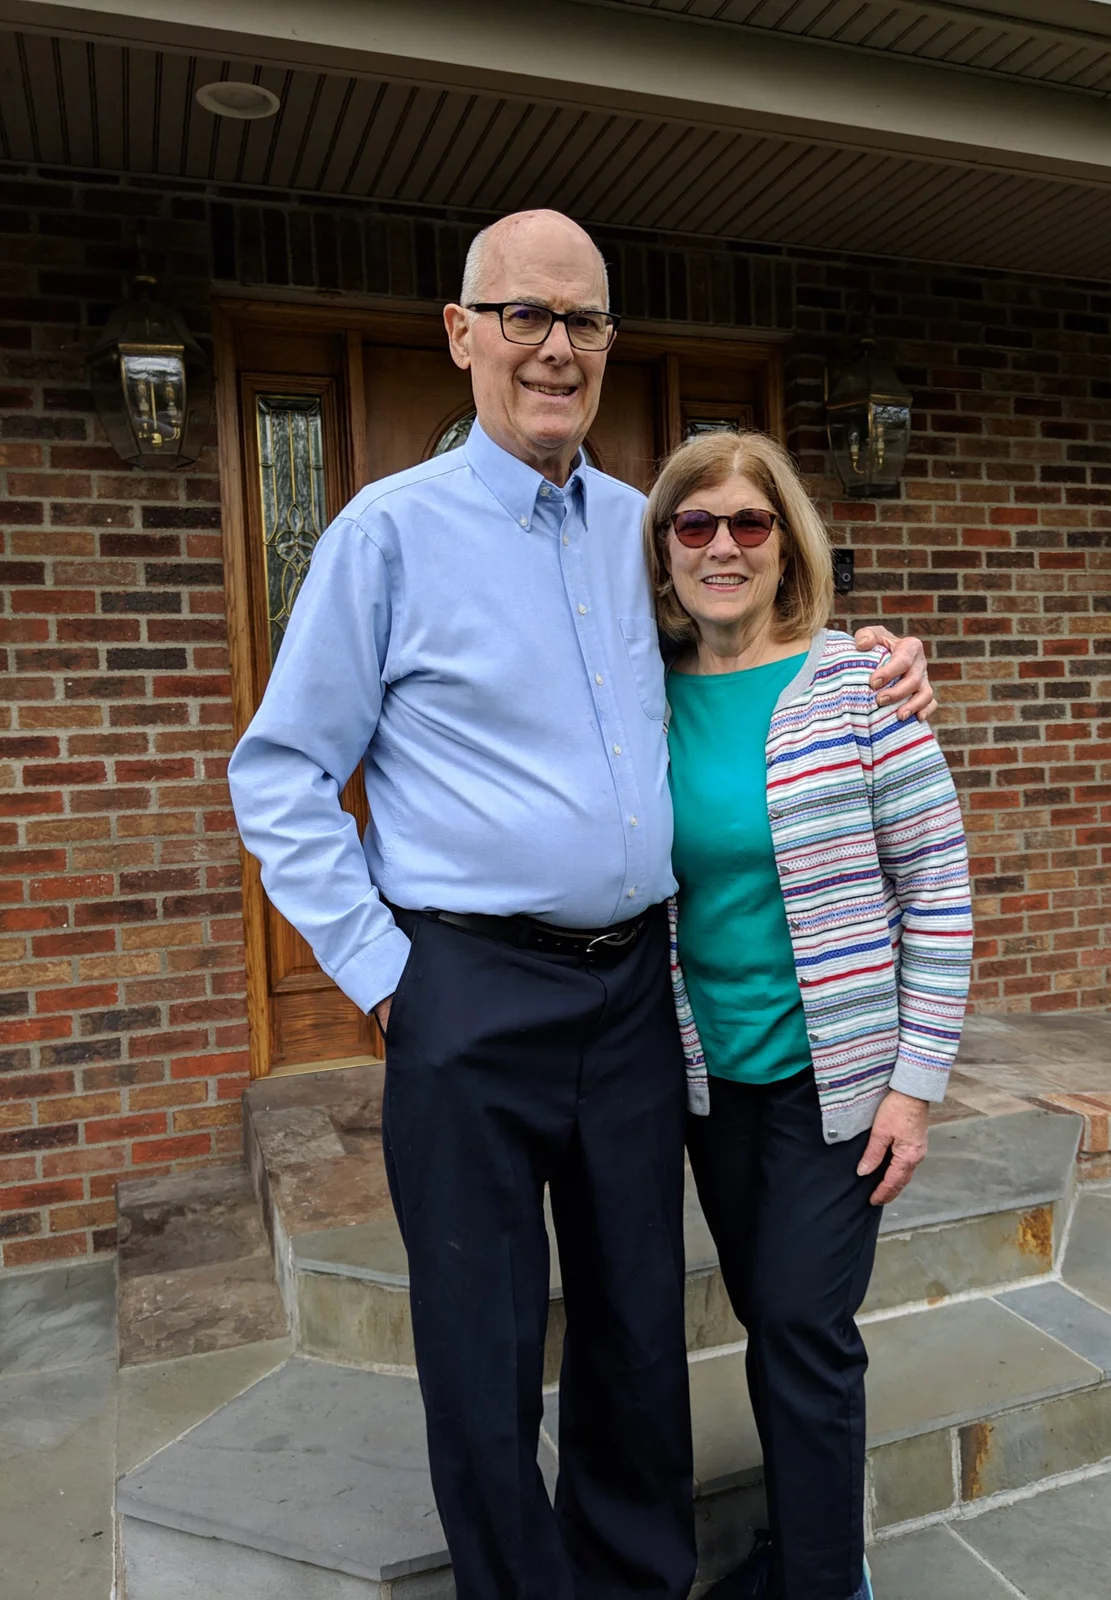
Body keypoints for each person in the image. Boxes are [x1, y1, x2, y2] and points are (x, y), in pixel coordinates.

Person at [227, 209, 936, 1600]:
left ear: (610, 343)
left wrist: (872, 658)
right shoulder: (386, 536)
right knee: (484, 1346)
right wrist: (387, 974)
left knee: (634, 1330)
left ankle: (632, 1582)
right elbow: (282, 772)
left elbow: (753, 633)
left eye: (585, 320)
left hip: (632, 998)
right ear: (463, 334)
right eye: (526, 316)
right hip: (468, 993)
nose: (556, 348)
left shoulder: (641, 533)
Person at [643, 429, 973, 1600]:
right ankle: (801, 1549)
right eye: (695, 524)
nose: (722, 547)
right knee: (771, 1319)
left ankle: (829, 1581)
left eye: (750, 522)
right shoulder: (642, 696)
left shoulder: (860, 684)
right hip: (708, 1082)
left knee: (799, 1322)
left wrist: (914, 1088)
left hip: (837, 1084)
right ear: (665, 549)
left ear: (787, 545)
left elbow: (937, 887)